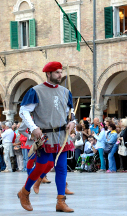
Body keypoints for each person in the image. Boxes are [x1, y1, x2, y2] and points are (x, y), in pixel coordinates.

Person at [17, 61, 75, 212]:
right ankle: (25, 192)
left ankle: (60, 202)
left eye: (61, 72)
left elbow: (71, 110)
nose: (60, 75)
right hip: (45, 136)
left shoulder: (65, 91)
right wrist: (34, 127)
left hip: (62, 136)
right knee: (42, 166)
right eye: (56, 72)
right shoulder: (36, 91)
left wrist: (72, 122)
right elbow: (23, 111)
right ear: (48, 74)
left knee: (61, 168)